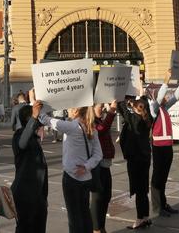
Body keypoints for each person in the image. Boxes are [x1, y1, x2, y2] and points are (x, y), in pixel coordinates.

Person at [38, 103, 103, 233]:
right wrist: (86, 166)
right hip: (86, 177)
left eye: (70, 107)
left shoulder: (72, 126)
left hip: (72, 177)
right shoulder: (92, 128)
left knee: (74, 217)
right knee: (85, 213)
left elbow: (45, 119)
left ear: (76, 111)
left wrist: (35, 102)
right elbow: (98, 154)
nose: (67, 110)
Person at [149, 71, 179, 217]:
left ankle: (163, 204)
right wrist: (166, 80)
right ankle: (158, 207)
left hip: (167, 146)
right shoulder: (154, 109)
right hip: (158, 147)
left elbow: (175, 98)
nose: (166, 97)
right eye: (163, 96)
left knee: (163, 177)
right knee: (158, 178)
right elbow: (159, 97)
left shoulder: (164, 108)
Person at [12, 101, 48, 233]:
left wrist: (44, 197)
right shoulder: (19, 135)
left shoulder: (34, 137)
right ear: (29, 119)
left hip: (38, 196)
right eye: (36, 117)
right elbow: (22, 143)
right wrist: (34, 117)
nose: (39, 120)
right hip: (25, 195)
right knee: (25, 228)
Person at [119, 98, 153, 229]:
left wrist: (123, 100)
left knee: (139, 190)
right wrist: (135, 102)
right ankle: (145, 216)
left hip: (136, 159)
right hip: (145, 157)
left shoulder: (134, 119)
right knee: (143, 189)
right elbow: (145, 104)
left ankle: (139, 219)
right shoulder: (147, 117)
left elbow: (122, 110)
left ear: (135, 108)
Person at [90, 101, 117, 233]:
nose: (102, 109)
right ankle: (95, 228)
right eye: (100, 107)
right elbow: (101, 130)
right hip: (97, 164)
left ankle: (101, 226)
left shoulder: (99, 120)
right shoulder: (91, 122)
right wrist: (111, 112)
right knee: (97, 197)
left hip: (105, 163)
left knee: (106, 196)